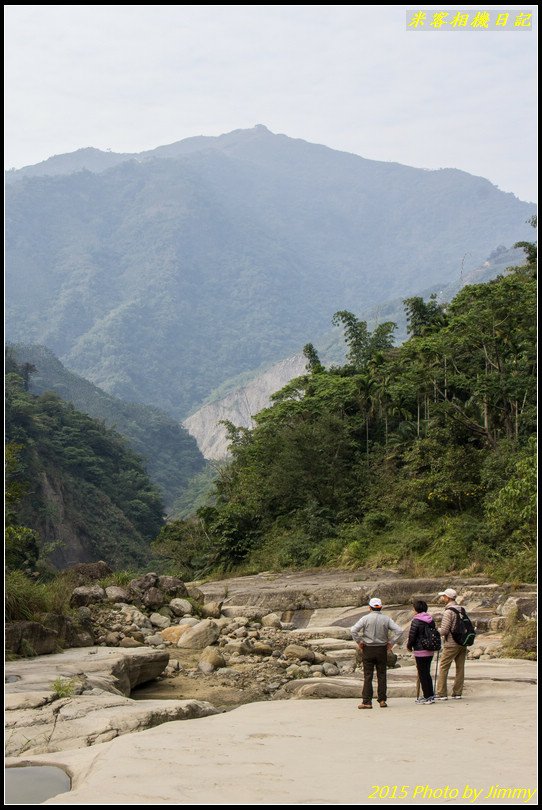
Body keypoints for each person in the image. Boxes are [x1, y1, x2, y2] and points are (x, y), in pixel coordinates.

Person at [350, 597, 403, 709]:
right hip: (381, 649)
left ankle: (367, 701)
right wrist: (391, 642)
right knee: (382, 675)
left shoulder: (365, 618)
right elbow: (399, 630)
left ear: (370, 607)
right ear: (381, 607)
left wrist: (359, 641)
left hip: (368, 649)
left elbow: (353, 630)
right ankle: (382, 700)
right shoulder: (386, 619)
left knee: (368, 676)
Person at [435, 588, 467, 700]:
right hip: (463, 642)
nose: (442, 598)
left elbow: (444, 631)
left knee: (444, 666)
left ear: (448, 598)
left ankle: (441, 693)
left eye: (444, 596)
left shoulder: (448, 612)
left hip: (451, 643)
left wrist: (435, 630)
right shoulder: (461, 609)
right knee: (460, 667)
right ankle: (457, 692)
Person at [406, 599, 438, 705]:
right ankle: (431, 695)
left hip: (420, 651)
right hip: (430, 650)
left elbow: (412, 636)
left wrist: (409, 646)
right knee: (427, 672)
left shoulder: (416, 621)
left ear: (416, 609)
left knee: (422, 673)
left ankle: (427, 696)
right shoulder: (430, 620)